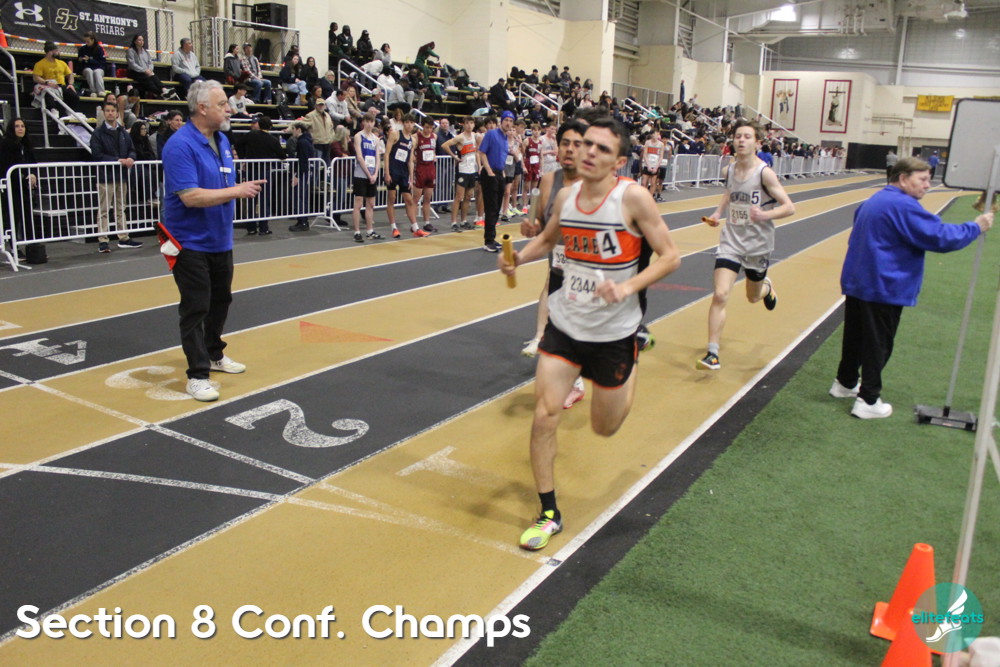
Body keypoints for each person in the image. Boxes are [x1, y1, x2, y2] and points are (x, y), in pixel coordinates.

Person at [498, 117, 682, 551]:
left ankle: (632, 360)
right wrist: (520, 258)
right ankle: (549, 513)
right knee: (545, 414)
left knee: (604, 427)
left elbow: (670, 256)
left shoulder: (632, 198)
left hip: (614, 332)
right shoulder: (566, 195)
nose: (588, 152)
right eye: (586, 145)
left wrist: (627, 288)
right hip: (566, 324)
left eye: (602, 148)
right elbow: (549, 240)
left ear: (618, 162)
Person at [832, 157, 993, 419]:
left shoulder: (875, 200)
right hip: (883, 283)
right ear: (903, 178)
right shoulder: (903, 205)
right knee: (878, 343)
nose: (928, 185)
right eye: (923, 179)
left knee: (856, 337)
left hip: (859, 280)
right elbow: (939, 237)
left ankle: (845, 383)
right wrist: (975, 227)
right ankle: (868, 400)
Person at [161, 80, 265, 402]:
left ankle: (214, 353)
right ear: (202, 108)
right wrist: (237, 191)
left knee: (221, 301)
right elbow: (190, 196)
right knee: (196, 307)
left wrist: (233, 190)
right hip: (188, 241)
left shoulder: (221, 139)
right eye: (222, 104)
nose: (229, 109)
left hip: (220, 238)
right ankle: (197, 374)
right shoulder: (180, 145)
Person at [698, 120, 795, 371]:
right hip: (731, 240)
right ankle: (712, 353)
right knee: (720, 294)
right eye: (738, 136)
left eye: (747, 137)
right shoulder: (729, 170)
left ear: (757, 143)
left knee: (753, 297)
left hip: (758, 244)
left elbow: (789, 207)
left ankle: (766, 287)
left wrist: (765, 215)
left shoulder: (764, 173)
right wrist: (718, 213)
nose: (741, 140)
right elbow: (729, 193)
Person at [90, 101, 142, 253]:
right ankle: (103, 240)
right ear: (104, 113)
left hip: (122, 176)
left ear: (117, 113)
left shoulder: (123, 132)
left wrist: (131, 158)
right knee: (104, 209)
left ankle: (123, 237)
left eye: (113, 110)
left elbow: (132, 149)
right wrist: (117, 160)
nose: (110, 113)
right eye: (107, 110)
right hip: (105, 177)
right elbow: (97, 155)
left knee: (121, 208)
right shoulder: (98, 133)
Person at [0, 118, 44, 264]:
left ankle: (32, 247)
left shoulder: (27, 145)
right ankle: (13, 248)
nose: (20, 128)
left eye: (23, 126)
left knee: (27, 215)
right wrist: (25, 174)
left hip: (24, 188)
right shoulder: (6, 144)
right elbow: (7, 166)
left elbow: (33, 163)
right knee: (13, 217)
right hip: (10, 187)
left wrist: (32, 174)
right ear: (11, 129)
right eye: (17, 126)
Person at [235, 115, 285, 235]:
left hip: (251, 169)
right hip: (264, 171)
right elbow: (282, 155)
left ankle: (251, 227)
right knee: (264, 200)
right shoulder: (272, 140)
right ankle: (264, 228)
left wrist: (243, 158)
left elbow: (237, 144)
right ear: (270, 126)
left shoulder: (251, 135)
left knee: (251, 198)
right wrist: (272, 156)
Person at [478, 111, 514, 252]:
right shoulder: (491, 134)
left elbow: (502, 157)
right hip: (490, 173)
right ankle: (488, 241)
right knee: (491, 208)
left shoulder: (505, 139)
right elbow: (482, 152)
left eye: (511, 121)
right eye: (506, 120)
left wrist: (502, 173)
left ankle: (492, 238)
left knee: (497, 207)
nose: (508, 123)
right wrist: (489, 170)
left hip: (499, 174)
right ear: (501, 121)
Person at [442, 115, 479, 231]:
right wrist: (454, 157)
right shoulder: (460, 137)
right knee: (459, 197)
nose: (469, 125)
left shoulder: (475, 136)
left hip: (472, 170)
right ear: (464, 124)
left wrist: (479, 166)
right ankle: (454, 222)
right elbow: (444, 145)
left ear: (474, 124)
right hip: (463, 170)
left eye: (471, 123)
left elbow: (477, 152)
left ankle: (464, 221)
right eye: (467, 123)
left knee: (468, 196)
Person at [352, 113, 383, 242]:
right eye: (367, 121)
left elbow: (377, 157)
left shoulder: (376, 139)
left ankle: (370, 231)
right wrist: (369, 174)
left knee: (371, 203)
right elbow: (359, 156)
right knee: (359, 202)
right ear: (363, 122)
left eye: (372, 121)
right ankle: (357, 232)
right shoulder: (358, 136)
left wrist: (375, 173)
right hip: (361, 172)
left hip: (372, 173)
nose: (370, 124)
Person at [32, 42, 80, 111]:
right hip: (49, 85)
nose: (58, 52)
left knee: (74, 96)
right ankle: (53, 110)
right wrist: (46, 82)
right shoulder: (40, 64)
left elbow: (70, 74)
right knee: (49, 94)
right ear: (50, 52)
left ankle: (70, 111)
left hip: (61, 86)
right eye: (56, 51)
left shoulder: (62, 63)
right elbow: (36, 77)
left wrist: (70, 84)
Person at [288, 122, 317, 232]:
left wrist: (297, 176)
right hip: (305, 173)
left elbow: (303, 161)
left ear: (298, 129)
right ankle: (302, 220)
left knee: (300, 197)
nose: (292, 131)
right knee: (302, 197)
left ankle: (303, 221)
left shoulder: (302, 142)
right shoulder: (307, 140)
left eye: (293, 129)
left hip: (303, 174)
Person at [127, 34, 173, 100]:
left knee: (153, 76)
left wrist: (150, 70)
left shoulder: (145, 52)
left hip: (146, 72)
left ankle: (164, 89)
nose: (141, 42)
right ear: (135, 41)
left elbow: (150, 62)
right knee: (148, 81)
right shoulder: (131, 51)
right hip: (135, 72)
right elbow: (132, 64)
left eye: (142, 40)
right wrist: (144, 70)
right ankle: (161, 93)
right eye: (139, 40)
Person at [413, 117, 438, 230]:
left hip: (430, 169)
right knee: (416, 198)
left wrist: (434, 155)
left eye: (431, 128)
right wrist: (413, 158)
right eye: (427, 127)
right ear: (422, 126)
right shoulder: (416, 137)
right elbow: (411, 151)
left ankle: (427, 222)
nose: (429, 130)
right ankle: (414, 224)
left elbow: (433, 150)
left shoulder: (434, 136)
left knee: (427, 198)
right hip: (420, 169)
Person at [77, 32, 108, 97]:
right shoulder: (83, 49)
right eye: (85, 41)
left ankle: (101, 91)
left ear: (93, 40)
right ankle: (93, 91)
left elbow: (102, 62)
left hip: (98, 68)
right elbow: (80, 60)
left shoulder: (99, 49)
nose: (86, 43)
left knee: (97, 72)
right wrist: (80, 59)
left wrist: (90, 60)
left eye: (88, 41)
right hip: (87, 68)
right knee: (89, 71)